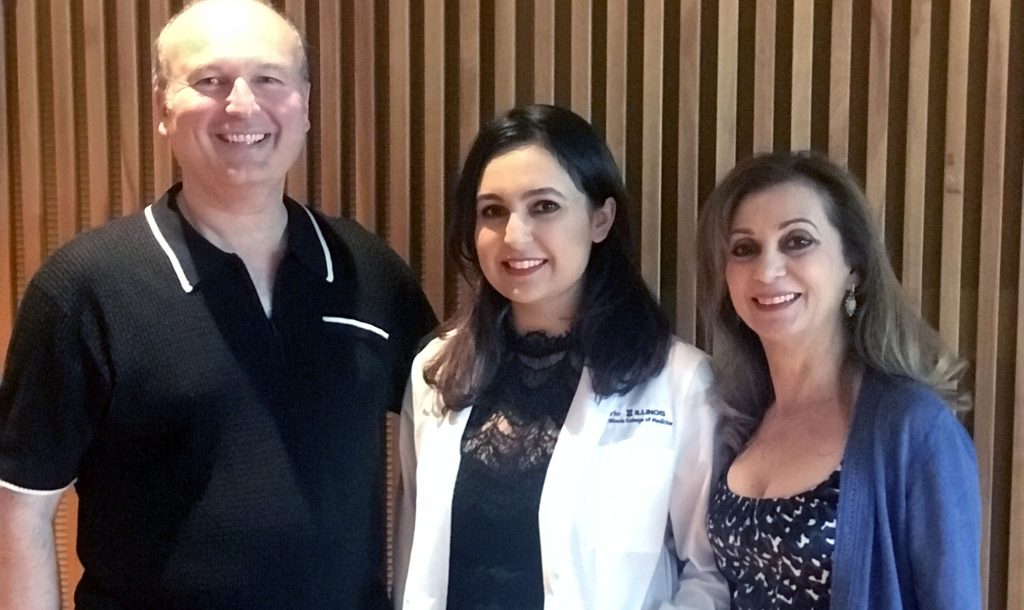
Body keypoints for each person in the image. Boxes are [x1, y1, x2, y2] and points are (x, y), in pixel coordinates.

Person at [0, 1, 436, 608]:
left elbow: (449, 440)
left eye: (269, 79)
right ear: (162, 108)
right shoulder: (83, 289)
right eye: (209, 81)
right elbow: (21, 504)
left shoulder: (369, 272)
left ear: (304, 105)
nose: (242, 105)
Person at [394, 104, 728, 610]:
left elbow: (708, 572)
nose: (514, 236)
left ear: (601, 218)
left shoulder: (677, 382)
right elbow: (415, 547)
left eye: (544, 206)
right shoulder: (436, 372)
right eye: (492, 211)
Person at [696, 150, 981, 609]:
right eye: (744, 249)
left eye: (797, 241)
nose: (767, 271)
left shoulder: (914, 429)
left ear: (853, 266)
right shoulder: (736, 417)